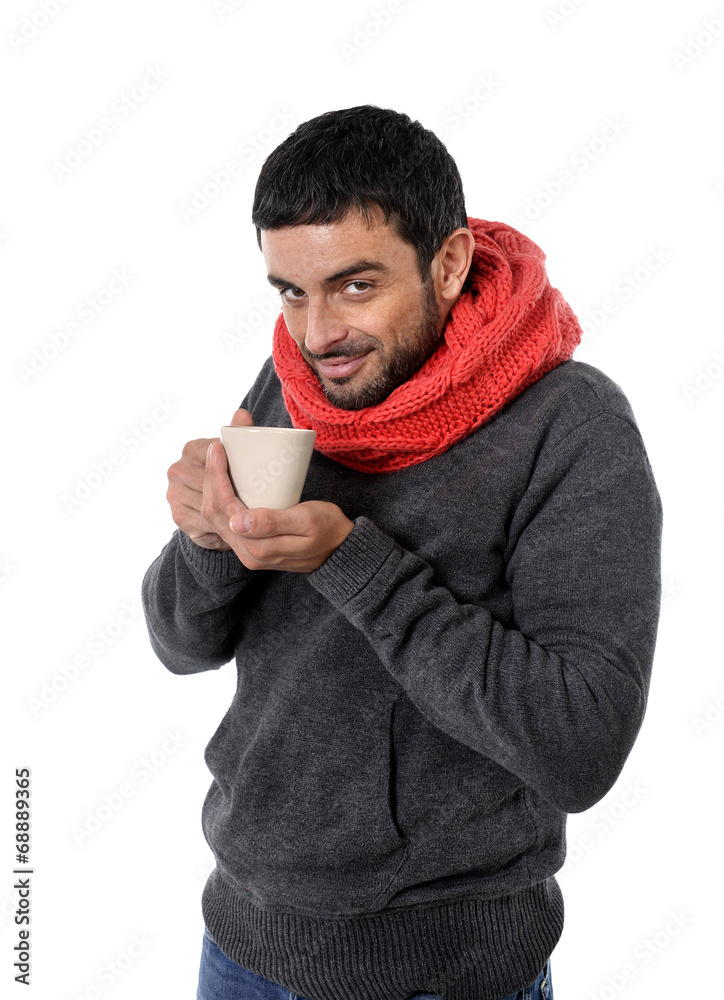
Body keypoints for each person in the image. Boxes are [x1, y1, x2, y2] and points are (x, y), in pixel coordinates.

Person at [141, 106, 663, 1000]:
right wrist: (210, 538)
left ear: (450, 264)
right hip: (240, 947)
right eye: (290, 291)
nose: (316, 334)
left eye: (354, 285)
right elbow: (181, 646)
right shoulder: (298, 381)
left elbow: (581, 746)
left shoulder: (571, 425)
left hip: (446, 977)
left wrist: (350, 559)